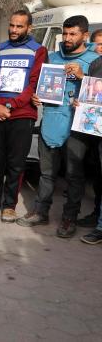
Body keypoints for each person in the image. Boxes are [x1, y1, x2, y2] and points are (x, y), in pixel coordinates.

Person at [16, 16, 98, 237]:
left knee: (74, 176)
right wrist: (36, 97)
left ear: (84, 35)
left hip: (76, 127)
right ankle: (41, 212)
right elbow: (42, 86)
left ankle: (69, 219)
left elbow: (98, 95)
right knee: (47, 173)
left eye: (73, 34)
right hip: (51, 121)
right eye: (65, 33)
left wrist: (83, 78)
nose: (68, 38)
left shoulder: (94, 60)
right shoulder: (51, 57)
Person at [0, 9, 47, 222]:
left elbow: (34, 83)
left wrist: (10, 105)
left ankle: (9, 205)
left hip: (21, 114)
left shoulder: (39, 50)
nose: (14, 30)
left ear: (29, 28)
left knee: (16, 163)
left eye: (19, 26)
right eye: (12, 25)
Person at [78, 28, 102, 228]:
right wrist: (82, 102)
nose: (99, 48)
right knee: (97, 177)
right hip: (94, 132)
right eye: (97, 44)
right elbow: (90, 94)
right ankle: (97, 215)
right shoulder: (95, 64)